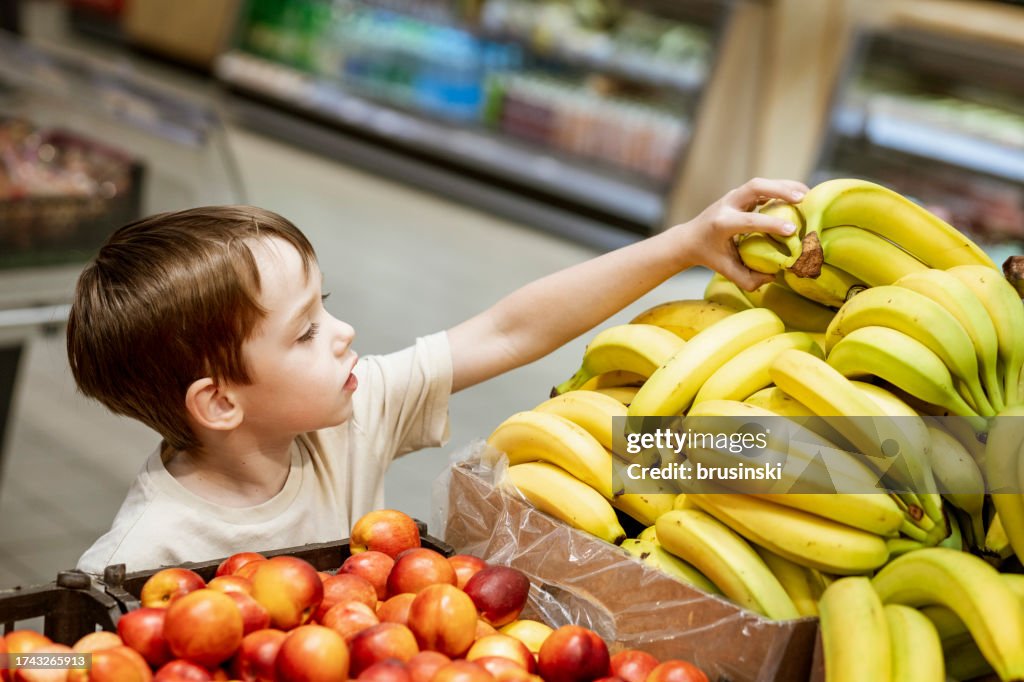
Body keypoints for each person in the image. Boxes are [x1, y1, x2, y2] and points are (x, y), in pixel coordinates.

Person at [69, 177, 807, 574]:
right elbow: (52, 654)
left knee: (849, 457)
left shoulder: (346, 421)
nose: (343, 333)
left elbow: (507, 328)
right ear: (221, 401)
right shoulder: (147, 549)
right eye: (306, 332)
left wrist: (683, 244)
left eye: (325, 308)